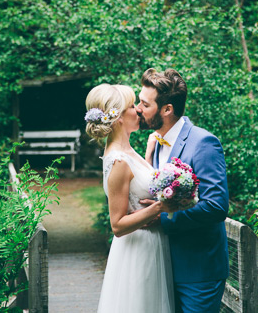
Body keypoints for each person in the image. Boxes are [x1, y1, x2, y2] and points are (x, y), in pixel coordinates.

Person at [137, 68, 229, 313]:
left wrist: (164, 218)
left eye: (145, 104)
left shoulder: (203, 143)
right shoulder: (156, 143)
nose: (138, 109)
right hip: (164, 265)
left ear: (167, 109)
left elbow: (216, 206)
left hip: (198, 269)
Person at [85, 83, 174, 313]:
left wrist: (149, 151)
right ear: (119, 118)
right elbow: (117, 224)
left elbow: (137, 185)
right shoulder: (118, 161)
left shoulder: (127, 152)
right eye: (133, 106)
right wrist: (160, 208)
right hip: (138, 250)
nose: (138, 110)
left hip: (152, 243)